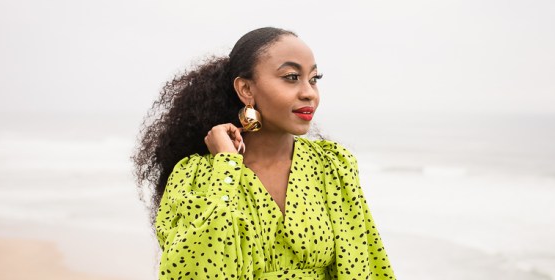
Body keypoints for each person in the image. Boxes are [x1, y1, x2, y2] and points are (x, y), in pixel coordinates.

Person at [132, 27, 396, 279]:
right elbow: (193, 268)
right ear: (246, 89)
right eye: (292, 77)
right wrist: (226, 167)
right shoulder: (194, 175)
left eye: (314, 79)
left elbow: (365, 265)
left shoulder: (332, 164)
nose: (309, 93)